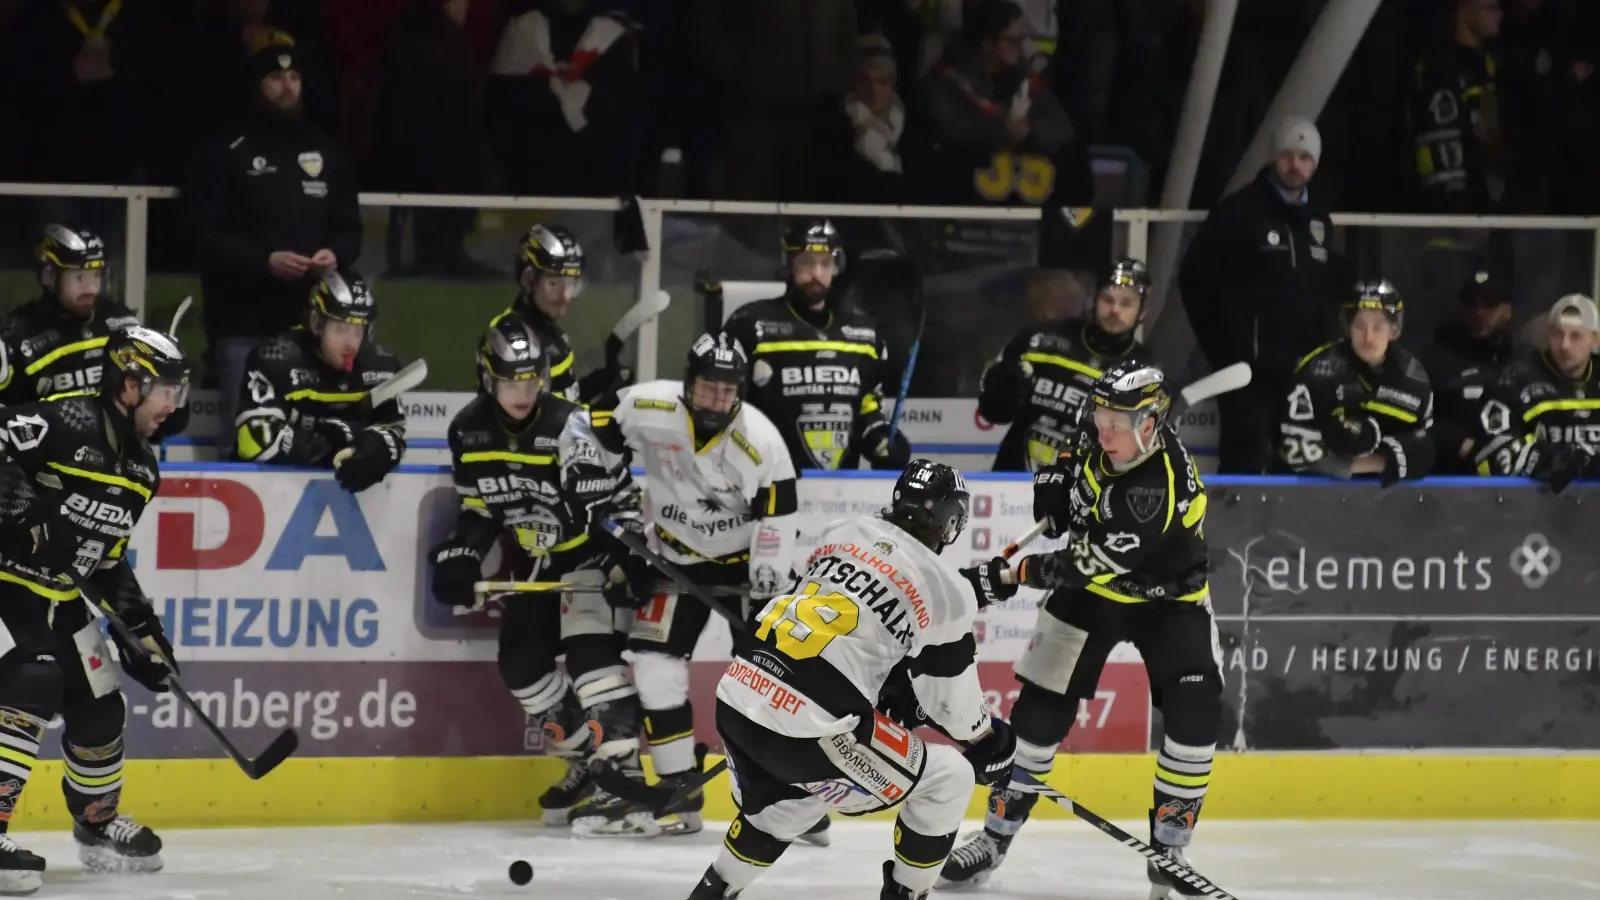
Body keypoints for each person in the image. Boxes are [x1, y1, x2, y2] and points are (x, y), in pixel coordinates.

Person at [940, 362, 1218, 900]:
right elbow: (1075, 438)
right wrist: (1055, 475)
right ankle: (994, 839)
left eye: (1117, 421)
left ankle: (1169, 851)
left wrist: (1013, 573)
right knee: (1037, 714)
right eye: (1102, 415)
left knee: (1196, 708)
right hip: (1094, 600)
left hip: (1169, 601)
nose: (1103, 429)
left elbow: (1080, 564)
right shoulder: (1103, 427)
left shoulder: (1154, 489)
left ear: (1150, 425)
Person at [687, 459, 1017, 900]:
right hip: (811, 726)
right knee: (950, 777)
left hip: (739, 696)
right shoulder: (949, 590)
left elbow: (842, 635)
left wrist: (886, 694)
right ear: (951, 522)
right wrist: (989, 741)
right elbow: (952, 708)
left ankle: (713, 890)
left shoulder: (841, 532)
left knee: (795, 799)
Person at [428, 316, 653, 833]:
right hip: (538, 561)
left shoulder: (571, 423)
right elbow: (480, 509)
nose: (522, 392)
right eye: (511, 381)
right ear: (488, 378)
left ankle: (625, 776)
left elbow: (620, 497)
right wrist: (463, 553)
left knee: (590, 654)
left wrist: (629, 555)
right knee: (522, 667)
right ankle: (589, 764)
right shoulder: (466, 431)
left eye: (531, 380)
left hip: (590, 554)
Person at [579, 333, 803, 838]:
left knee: (771, 684)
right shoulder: (646, 405)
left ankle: (790, 799)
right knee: (655, 669)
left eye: (727, 391)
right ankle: (680, 792)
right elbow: (586, 435)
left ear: (740, 392)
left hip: (746, 565)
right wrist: (599, 489)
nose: (715, 400)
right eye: (706, 388)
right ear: (688, 383)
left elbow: (778, 521)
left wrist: (765, 594)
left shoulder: (762, 441)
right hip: (675, 558)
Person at [0, 325, 190, 890]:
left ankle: (96, 823)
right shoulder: (63, 420)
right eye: (164, 390)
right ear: (128, 385)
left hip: (56, 599)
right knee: (31, 679)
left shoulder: (140, 470)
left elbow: (104, 561)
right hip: (5, 585)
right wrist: (28, 516)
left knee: (100, 701)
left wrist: (144, 633)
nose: (171, 405)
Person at [182, 28, 361, 433]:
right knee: (245, 436)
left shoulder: (327, 152)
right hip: (242, 325)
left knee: (313, 436)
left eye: (295, 78)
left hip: (313, 329)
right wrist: (264, 262)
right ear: (257, 85)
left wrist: (335, 255)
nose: (287, 87)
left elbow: (350, 229)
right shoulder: (226, 150)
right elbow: (202, 235)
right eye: (276, 78)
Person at [1178, 114, 1346, 474]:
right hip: (1247, 374)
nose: (1294, 166)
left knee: (1299, 463)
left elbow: (1323, 293)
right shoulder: (1240, 211)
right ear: (1273, 157)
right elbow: (1194, 278)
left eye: (1304, 158)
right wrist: (1223, 349)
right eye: (1287, 155)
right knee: (1246, 462)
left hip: (1302, 374)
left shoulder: (1319, 220)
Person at [719, 219, 909, 471]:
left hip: (840, 493)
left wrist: (881, 441)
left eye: (825, 264)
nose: (817, 274)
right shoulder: (749, 323)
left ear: (836, 267)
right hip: (765, 483)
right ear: (789, 264)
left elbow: (867, 409)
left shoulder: (865, 334)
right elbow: (720, 403)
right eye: (807, 263)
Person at [231, 271, 407, 495]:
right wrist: (331, 443)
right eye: (341, 329)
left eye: (358, 331)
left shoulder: (383, 366)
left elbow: (394, 430)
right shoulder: (274, 359)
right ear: (317, 324)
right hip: (264, 491)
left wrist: (379, 449)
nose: (350, 343)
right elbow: (254, 440)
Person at [978, 257, 1148, 471]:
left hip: (1083, 495)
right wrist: (1002, 388)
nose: (1115, 310)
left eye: (1126, 303)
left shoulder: (1144, 373)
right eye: (1107, 299)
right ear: (1094, 299)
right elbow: (993, 412)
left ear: (1142, 312)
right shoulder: (1039, 339)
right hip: (1012, 484)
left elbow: (1136, 455)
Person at [1277, 281, 1436, 484]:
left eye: (1378, 327)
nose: (1368, 337)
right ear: (1348, 328)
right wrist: (1377, 463)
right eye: (1360, 325)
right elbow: (1294, 453)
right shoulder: (1316, 373)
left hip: (1392, 502)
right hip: (1314, 498)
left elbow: (1424, 448)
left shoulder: (1415, 380)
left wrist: (1392, 458)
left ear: (1394, 331)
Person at [1469, 293, 1600, 493]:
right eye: (1558, 334)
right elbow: (1490, 455)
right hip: (1531, 507)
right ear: (1548, 334)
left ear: (1595, 339)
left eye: (1576, 336)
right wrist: (1551, 458)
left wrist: (1589, 461)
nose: (1564, 345)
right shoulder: (1515, 380)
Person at [0, 226, 139, 405]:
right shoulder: (16, 336)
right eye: (79, 277)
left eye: (96, 276)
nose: (91, 289)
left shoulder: (123, 322)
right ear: (49, 275)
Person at [494, 224, 629, 406]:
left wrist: (601, 381)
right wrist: (601, 409)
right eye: (553, 283)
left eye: (571, 283)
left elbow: (560, 400)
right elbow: (532, 424)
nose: (565, 296)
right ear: (528, 279)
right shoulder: (516, 341)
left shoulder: (543, 330)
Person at [1419, 270, 1515, 474]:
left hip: (1515, 479)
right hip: (1450, 478)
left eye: (1489, 305)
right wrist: (1458, 442)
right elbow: (1412, 419)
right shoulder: (1434, 359)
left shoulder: (1524, 360)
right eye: (1473, 305)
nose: (1479, 313)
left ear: (1507, 310)